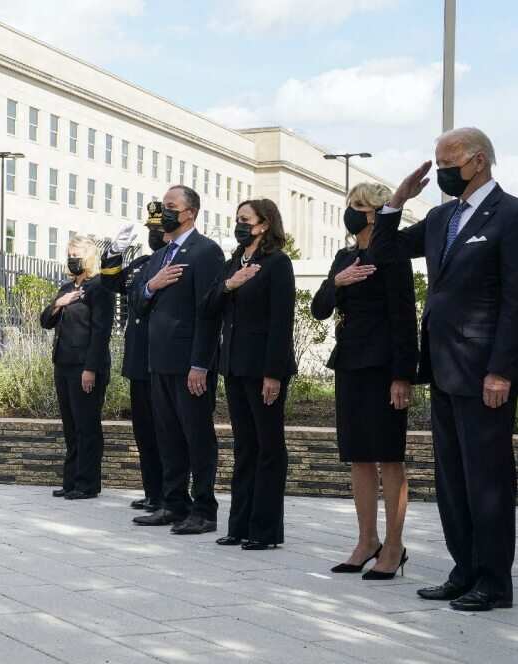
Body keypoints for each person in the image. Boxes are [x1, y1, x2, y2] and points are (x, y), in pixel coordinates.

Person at [372, 127, 518, 611]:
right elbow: (384, 251)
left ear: (479, 161)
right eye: (437, 161)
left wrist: (502, 370)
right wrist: (396, 201)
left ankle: (494, 581)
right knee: (452, 478)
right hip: (445, 368)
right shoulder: (440, 215)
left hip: (486, 372)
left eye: (449, 162)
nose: (442, 171)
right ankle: (463, 568)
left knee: (487, 480)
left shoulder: (515, 216)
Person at [311, 182, 417, 579]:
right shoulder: (344, 256)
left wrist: (402, 375)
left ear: (375, 213)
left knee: (389, 456)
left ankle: (394, 546)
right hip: (351, 364)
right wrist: (338, 282)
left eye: (358, 206)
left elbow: (404, 316)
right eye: (349, 205)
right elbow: (319, 309)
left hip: (385, 366)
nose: (351, 212)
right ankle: (366, 540)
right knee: (357, 455)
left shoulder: (392, 253)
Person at [205, 199, 296, 550]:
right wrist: (230, 284)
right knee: (244, 446)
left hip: (265, 369)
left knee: (269, 447)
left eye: (245, 220)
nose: (239, 225)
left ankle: (265, 530)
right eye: (237, 219)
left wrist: (273, 373)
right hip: (235, 366)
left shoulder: (277, 264)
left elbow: (281, 321)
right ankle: (239, 525)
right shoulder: (233, 263)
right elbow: (208, 306)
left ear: (264, 224)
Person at [135, 186, 226, 534]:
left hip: (190, 365)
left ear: (190, 213)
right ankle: (173, 504)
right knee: (168, 437)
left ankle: (204, 510)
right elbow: (138, 301)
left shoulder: (206, 252)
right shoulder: (160, 257)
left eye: (171, 207)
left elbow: (209, 313)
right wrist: (151, 285)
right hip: (159, 361)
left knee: (196, 438)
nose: (164, 212)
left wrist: (200, 364)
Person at [40, 235, 115, 500]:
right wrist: (59, 304)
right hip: (63, 364)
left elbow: (101, 332)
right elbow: (46, 322)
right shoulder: (66, 287)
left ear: (90, 256)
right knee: (71, 427)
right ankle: (71, 481)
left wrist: (90, 369)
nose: (72, 257)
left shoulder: (100, 287)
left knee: (87, 426)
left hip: (86, 367)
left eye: (77, 253)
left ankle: (87, 484)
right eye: (69, 252)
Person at [101, 221, 165, 514]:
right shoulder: (142, 263)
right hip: (139, 361)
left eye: (160, 228)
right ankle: (152, 493)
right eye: (151, 229)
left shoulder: (181, 261)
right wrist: (115, 252)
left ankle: (170, 495)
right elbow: (111, 283)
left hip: (164, 360)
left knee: (166, 433)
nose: (154, 234)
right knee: (145, 433)